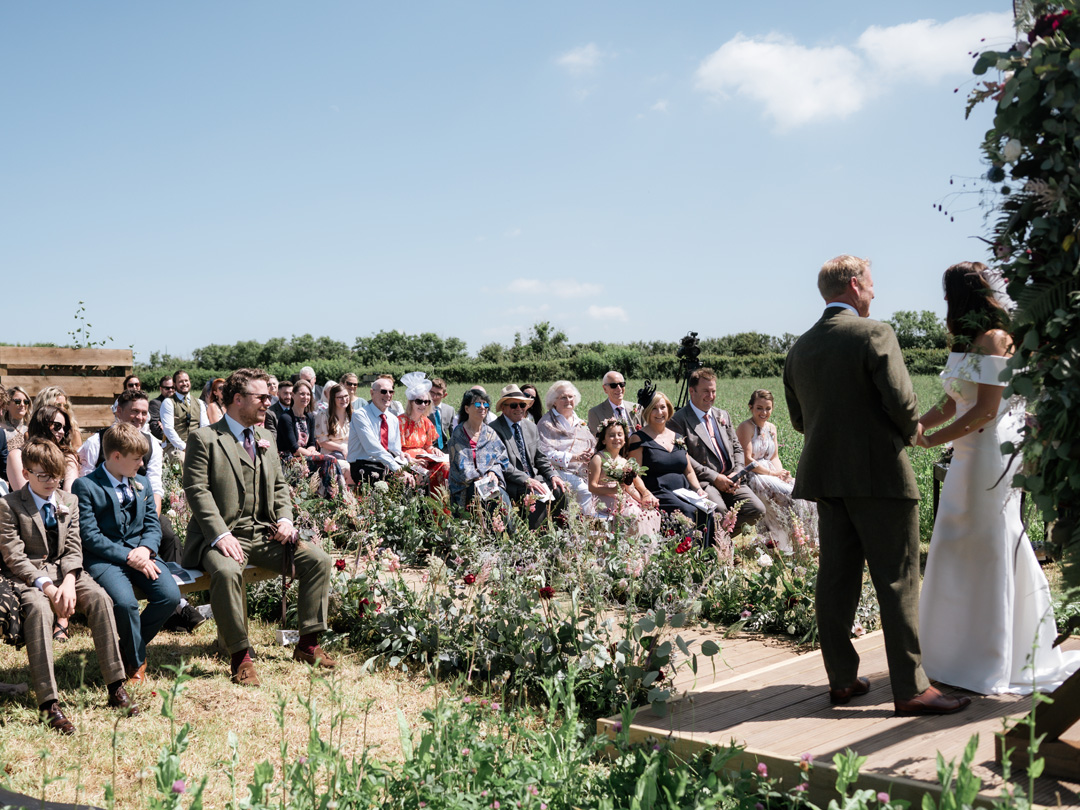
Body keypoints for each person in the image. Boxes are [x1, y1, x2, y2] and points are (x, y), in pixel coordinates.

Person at [784, 254, 969, 716]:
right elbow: (904, 404)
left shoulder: (799, 347)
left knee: (836, 578)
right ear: (853, 284)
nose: (874, 292)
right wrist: (915, 435)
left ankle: (842, 680)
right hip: (881, 475)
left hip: (826, 477)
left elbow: (799, 419)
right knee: (898, 578)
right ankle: (910, 688)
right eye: (870, 284)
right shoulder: (875, 333)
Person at [917, 262, 1080, 694]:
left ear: (959, 295)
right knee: (956, 540)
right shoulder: (967, 341)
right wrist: (915, 424)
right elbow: (952, 403)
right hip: (968, 453)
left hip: (990, 452)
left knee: (991, 541)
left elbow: (986, 410)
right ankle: (955, 653)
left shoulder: (995, 339)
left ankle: (996, 657)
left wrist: (933, 443)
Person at [182, 368, 334, 686]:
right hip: (218, 538)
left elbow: (279, 487)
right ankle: (240, 656)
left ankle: (307, 645)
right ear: (238, 399)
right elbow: (197, 491)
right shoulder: (205, 438)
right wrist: (220, 534)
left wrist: (285, 519)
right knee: (226, 572)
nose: (270, 401)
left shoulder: (265, 437)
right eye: (262, 397)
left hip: (263, 534)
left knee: (317, 560)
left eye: (269, 396)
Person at [0, 438, 137, 733]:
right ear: (26, 474)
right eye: (44, 475)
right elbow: (14, 556)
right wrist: (48, 588)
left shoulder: (68, 501)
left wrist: (72, 581)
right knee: (39, 611)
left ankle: (115, 685)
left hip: (68, 573)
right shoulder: (9, 505)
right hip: (30, 577)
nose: (52, 482)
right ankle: (49, 703)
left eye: (57, 475)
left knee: (101, 598)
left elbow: (74, 548)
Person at [73, 423, 181, 683]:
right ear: (116, 456)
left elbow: (153, 525)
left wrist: (145, 549)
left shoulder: (141, 483)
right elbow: (90, 537)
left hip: (142, 555)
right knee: (125, 604)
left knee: (169, 595)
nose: (142, 464)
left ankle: (128, 647)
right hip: (106, 560)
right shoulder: (85, 486)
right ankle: (135, 661)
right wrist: (129, 556)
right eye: (136, 458)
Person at [669, 368, 764, 536]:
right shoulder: (679, 420)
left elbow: (736, 446)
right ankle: (717, 551)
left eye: (713, 391)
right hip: (704, 481)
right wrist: (715, 477)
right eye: (706, 391)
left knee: (756, 509)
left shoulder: (722, 415)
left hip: (731, 477)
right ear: (692, 391)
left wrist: (738, 471)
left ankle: (719, 543)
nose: (711, 396)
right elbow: (684, 457)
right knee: (719, 511)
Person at [626, 386, 714, 545]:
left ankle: (706, 558)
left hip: (684, 492)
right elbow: (634, 473)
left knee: (707, 511)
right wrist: (645, 493)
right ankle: (684, 558)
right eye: (654, 409)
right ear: (647, 412)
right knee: (686, 512)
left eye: (663, 407)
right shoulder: (638, 439)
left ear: (669, 409)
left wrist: (698, 489)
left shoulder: (678, 437)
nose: (659, 413)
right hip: (659, 491)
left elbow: (688, 470)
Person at [736, 390, 818, 551]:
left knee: (805, 492)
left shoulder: (772, 428)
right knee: (791, 495)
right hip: (755, 475)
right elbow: (747, 460)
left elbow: (774, 456)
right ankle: (787, 542)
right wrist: (773, 474)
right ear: (751, 407)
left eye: (768, 408)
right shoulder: (746, 427)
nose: (764, 412)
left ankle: (807, 541)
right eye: (759, 408)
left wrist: (781, 473)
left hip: (771, 472)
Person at [491, 385, 568, 530]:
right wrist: (526, 480)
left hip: (536, 479)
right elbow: (501, 464)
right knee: (534, 497)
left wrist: (553, 475)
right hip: (514, 483)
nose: (519, 408)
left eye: (522, 404)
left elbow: (540, 457)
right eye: (514, 405)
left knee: (560, 489)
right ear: (503, 408)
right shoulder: (494, 429)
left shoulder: (530, 427)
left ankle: (563, 535)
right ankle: (536, 540)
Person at [587, 418, 661, 535]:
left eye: (620, 435)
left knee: (649, 513)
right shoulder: (598, 458)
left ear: (625, 440)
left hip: (623, 499)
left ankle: (640, 550)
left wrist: (643, 500)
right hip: (605, 500)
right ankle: (626, 547)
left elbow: (630, 488)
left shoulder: (625, 462)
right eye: (611, 435)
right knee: (632, 515)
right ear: (604, 440)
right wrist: (613, 490)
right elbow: (592, 486)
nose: (616, 438)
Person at [536, 381, 595, 515]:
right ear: (554, 402)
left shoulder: (580, 422)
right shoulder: (546, 423)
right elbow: (544, 453)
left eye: (571, 396)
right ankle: (588, 529)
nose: (568, 400)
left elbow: (591, 444)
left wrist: (590, 453)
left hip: (583, 470)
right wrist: (574, 458)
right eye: (563, 397)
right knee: (585, 491)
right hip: (557, 471)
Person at [447, 388, 511, 511]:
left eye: (485, 404)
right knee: (495, 498)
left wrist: (493, 472)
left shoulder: (490, 433)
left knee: (501, 498)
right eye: (477, 404)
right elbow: (461, 465)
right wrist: (480, 478)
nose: (482, 407)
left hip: (488, 481)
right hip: (466, 485)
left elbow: (501, 457)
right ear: (467, 409)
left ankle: (506, 529)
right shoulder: (458, 434)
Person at [346, 377, 416, 485]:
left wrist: (402, 456)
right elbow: (373, 448)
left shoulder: (393, 419)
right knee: (400, 481)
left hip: (385, 464)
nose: (388, 395)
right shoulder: (360, 415)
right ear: (372, 393)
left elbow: (394, 449)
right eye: (383, 391)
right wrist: (399, 470)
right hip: (363, 465)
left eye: (391, 391)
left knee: (419, 476)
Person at [8, 406, 80, 494]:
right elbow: (24, 494)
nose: (62, 432)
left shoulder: (67, 456)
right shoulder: (18, 455)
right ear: (42, 424)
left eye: (64, 428)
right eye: (57, 426)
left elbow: (70, 493)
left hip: (61, 506)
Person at [398, 372, 449, 491]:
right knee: (422, 475)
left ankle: (440, 505)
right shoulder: (400, 422)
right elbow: (395, 450)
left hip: (425, 461)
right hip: (408, 462)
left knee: (446, 467)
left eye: (426, 402)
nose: (423, 405)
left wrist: (434, 450)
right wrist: (411, 460)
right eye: (419, 401)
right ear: (411, 402)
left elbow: (427, 446)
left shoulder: (426, 422)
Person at [160, 370, 209, 460]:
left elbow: (204, 427)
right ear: (174, 384)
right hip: (174, 446)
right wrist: (184, 447)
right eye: (180, 381)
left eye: (186, 380)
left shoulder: (200, 403)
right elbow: (168, 429)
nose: (184, 383)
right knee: (181, 458)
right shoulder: (168, 402)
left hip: (196, 444)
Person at [276, 379, 318, 461]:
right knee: (327, 460)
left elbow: (312, 444)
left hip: (306, 457)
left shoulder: (310, 417)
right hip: (289, 460)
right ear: (293, 395)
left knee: (330, 460)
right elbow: (294, 448)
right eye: (302, 394)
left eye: (308, 394)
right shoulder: (286, 418)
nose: (306, 397)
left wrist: (310, 453)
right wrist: (312, 455)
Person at [427, 378, 455, 450]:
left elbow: (454, 434)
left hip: (445, 447)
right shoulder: (422, 409)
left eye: (438, 394)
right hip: (428, 447)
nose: (434, 397)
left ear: (444, 395)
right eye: (432, 392)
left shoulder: (450, 410)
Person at [147, 376, 173, 441]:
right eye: (167, 388)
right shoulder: (155, 403)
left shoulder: (179, 403)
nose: (170, 390)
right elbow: (155, 427)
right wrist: (169, 439)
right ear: (161, 389)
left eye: (173, 387)